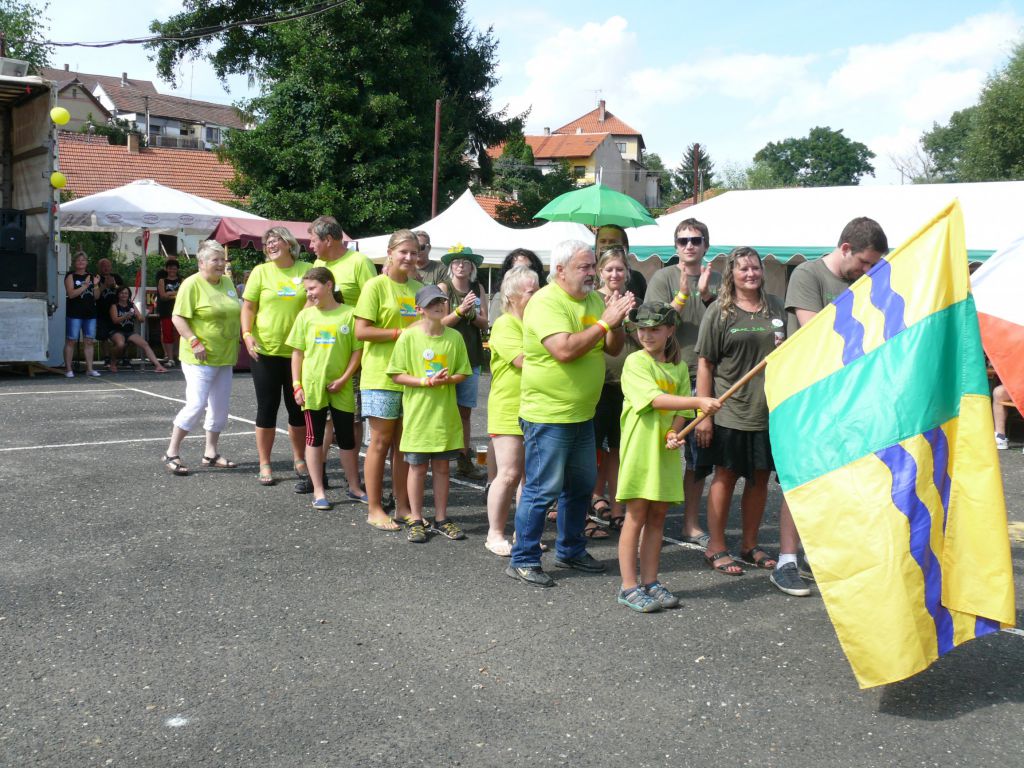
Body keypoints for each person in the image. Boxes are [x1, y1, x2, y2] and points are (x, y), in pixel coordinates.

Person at [506, 239, 635, 588]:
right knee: (541, 489)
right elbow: (563, 350)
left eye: (593, 266)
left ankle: (571, 549)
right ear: (560, 270)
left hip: (582, 413)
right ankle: (524, 558)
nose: (593, 273)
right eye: (585, 267)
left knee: (579, 487)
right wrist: (605, 322)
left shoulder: (594, 300)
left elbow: (613, 348)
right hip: (548, 414)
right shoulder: (546, 302)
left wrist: (616, 321)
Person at [772, 216, 888, 596]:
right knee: (800, 480)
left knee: (839, 478)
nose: (867, 271)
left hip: (847, 397)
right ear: (845, 249)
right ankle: (786, 560)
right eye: (865, 262)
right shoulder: (808, 275)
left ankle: (818, 553)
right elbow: (817, 335)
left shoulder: (863, 281)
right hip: (807, 398)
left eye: (873, 265)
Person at [616, 302, 721, 612]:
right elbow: (655, 399)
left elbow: (679, 411)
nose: (647, 335)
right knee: (636, 515)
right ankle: (628, 586)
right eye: (642, 329)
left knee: (658, 515)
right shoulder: (636, 362)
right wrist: (699, 401)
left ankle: (650, 581)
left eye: (655, 329)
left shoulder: (677, 367)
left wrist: (674, 431)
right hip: (640, 450)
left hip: (665, 452)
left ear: (670, 330)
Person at [694, 247, 785, 576]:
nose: (751, 274)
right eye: (743, 269)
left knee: (760, 479)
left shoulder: (775, 307)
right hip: (730, 410)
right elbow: (705, 364)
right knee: (726, 476)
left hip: (767, 410)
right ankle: (716, 547)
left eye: (755, 268)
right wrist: (704, 415)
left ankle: (749, 545)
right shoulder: (719, 311)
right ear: (731, 274)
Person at [644, 218, 721, 546]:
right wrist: (683, 296)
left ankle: (690, 523)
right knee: (658, 451)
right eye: (683, 240)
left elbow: (727, 322)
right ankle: (649, 523)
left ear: (706, 245)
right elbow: (653, 325)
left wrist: (707, 297)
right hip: (667, 375)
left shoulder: (718, 280)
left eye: (696, 240)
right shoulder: (662, 277)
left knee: (698, 458)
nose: (689, 245)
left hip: (706, 377)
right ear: (675, 246)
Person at [386, 284, 471, 543]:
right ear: (419, 309)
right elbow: (396, 373)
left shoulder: (454, 337)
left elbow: (463, 372)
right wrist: (425, 381)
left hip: (444, 415)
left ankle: (441, 518)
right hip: (419, 415)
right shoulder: (409, 337)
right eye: (431, 302)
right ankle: (415, 518)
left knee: (443, 467)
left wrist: (447, 380)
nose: (438, 305)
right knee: (418, 468)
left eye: (441, 301)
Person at [354, 229, 424, 530]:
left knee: (404, 445)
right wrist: (400, 333)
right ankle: (374, 508)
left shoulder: (420, 288)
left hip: (412, 377)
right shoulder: (375, 286)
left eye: (414, 253)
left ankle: (402, 505)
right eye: (403, 252)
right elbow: (361, 331)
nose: (408, 257)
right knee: (380, 442)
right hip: (381, 375)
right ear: (390, 253)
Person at [162, 241, 242, 476]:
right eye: (215, 260)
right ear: (201, 263)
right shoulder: (191, 284)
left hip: (225, 355)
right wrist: (194, 341)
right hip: (200, 356)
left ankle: (210, 452)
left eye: (222, 259)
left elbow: (234, 312)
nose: (220, 264)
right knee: (196, 405)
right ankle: (171, 452)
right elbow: (178, 317)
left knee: (220, 407)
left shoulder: (227, 282)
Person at [288, 267, 365, 510]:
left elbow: (357, 352)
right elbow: (297, 353)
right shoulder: (305, 316)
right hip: (312, 387)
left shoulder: (349, 314)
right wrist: (297, 385)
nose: (309, 294)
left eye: (312, 288)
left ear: (329, 285)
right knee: (314, 438)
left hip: (342, 387)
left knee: (347, 438)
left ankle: (354, 487)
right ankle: (318, 490)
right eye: (306, 290)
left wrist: (344, 378)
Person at [241, 227, 313, 488]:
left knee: (297, 408)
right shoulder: (261, 272)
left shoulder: (307, 269)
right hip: (265, 351)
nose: (270, 245)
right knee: (267, 407)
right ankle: (265, 463)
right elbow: (248, 307)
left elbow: (316, 298)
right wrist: (247, 334)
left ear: (289, 243)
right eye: (267, 243)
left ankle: (299, 459)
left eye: (275, 241)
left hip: (298, 352)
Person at [310, 215, 378, 483]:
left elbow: (374, 301)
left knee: (352, 416)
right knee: (325, 417)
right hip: (323, 351)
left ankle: (354, 477)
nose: (311, 246)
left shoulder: (359, 262)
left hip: (353, 349)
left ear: (328, 239)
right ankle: (319, 471)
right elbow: (311, 303)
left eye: (314, 240)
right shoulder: (318, 264)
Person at [484, 266, 540, 556]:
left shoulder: (534, 323)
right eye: (531, 291)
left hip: (534, 406)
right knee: (508, 473)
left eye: (538, 289)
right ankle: (494, 533)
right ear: (512, 295)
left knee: (529, 477)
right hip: (508, 407)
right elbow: (523, 361)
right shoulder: (505, 324)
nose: (537, 295)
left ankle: (522, 533)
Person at [590, 246, 637, 535]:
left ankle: (618, 509)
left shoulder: (634, 302)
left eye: (620, 269)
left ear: (627, 272)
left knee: (619, 450)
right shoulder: (591, 301)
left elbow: (647, 340)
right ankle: (590, 503)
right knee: (592, 450)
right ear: (600, 272)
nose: (615, 274)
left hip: (626, 386)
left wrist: (628, 318)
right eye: (609, 269)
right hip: (597, 385)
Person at [438, 245, 488, 480]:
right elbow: (440, 323)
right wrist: (460, 311)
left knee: (465, 411)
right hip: (446, 357)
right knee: (442, 408)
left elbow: (485, 323)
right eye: (457, 261)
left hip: (472, 356)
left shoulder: (478, 288)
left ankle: (463, 457)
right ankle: (438, 455)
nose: (461, 265)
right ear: (451, 266)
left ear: (472, 267)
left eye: (466, 262)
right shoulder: (444, 288)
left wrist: (472, 315)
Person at [106, 286, 168, 373]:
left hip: (129, 332)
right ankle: (113, 363)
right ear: (118, 294)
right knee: (120, 344)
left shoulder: (131, 305)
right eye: (122, 293)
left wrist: (140, 315)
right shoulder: (114, 306)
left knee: (145, 344)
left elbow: (141, 319)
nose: (124, 295)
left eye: (126, 293)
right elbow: (115, 320)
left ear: (129, 295)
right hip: (116, 331)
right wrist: (125, 316)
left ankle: (158, 366)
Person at [63, 250, 101, 378]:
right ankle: (68, 369)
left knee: (89, 341)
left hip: (90, 314)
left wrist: (96, 285)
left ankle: (89, 368)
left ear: (87, 262)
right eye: (78, 260)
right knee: (71, 340)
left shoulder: (92, 276)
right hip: (74, 313)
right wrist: (84, 286)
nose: (81, 262)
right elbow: (71, 294)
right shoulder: (70, 276)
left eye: (83, 260)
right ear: (74, 262)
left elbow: (96, 296)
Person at [488, 248, 546, 324]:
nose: (523, 272)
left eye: (528, 268)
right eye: (517, 269)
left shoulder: (543, 296)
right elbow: (494, 326)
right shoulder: (500, 297)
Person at [595, 223, 646, 298]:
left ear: (625, 247)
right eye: (603, 241)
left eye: (612, 242)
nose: (607, 245)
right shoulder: (587, 276)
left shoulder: (636, 279)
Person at [95, 258, 125, 365]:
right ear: (99, 268)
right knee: (103, 337)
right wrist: (105, 285)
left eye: (108, 265)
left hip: (117, 311)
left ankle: (119, 357)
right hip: (102, 311)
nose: (106, 268)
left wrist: (115, 286)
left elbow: (124, 290)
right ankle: (107, 357)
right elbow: (95, 295)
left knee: (120, 334)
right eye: (103, 266)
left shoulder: (116, 277)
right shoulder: (96, 278)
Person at [157, 259, 182, 367]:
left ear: (177, 269)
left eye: (174, 268)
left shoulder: (182, 280)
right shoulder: (162, 281)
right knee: (167, 333)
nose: (172, 270)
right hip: (166, 310)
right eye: (170, 268)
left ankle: (178, 355)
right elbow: (163, 296)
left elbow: (184, 294)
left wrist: (169, 293)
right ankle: (170, 358)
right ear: (166, 269)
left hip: (180, 310)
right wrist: (176, 294)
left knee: (179, 333)